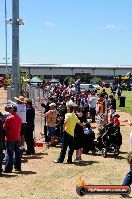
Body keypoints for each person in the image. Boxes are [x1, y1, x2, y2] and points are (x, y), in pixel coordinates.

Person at [3, 105, 22, 173]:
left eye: (10, 108)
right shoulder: (19, 118)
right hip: (17, 137)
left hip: (10, 137)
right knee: (17, 152)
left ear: (13, 109)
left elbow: (4, 127)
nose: (9, 109)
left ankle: (8, 168)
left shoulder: (9, 118)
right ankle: (18, 167)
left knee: (9, 153)